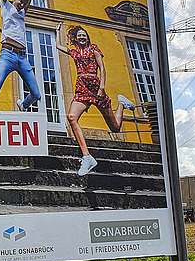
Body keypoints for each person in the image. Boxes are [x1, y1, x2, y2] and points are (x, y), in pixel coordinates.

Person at [56, 22, 136, 176]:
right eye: (79, 36)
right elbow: (59, 46)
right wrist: (57, 30)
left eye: (84, 35)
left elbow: (102, 68)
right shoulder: (75, 53)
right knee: (72, 117)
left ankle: (121, 104)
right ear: (76, 39)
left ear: (87, 38)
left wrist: (102, 87)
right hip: (82, 87)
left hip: (95, 86)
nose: (81, 37)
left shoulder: (94, 48)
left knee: (115, 127)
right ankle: (87, 157)